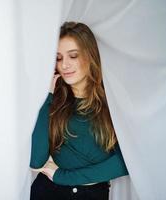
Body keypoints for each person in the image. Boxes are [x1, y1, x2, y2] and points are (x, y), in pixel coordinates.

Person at [29, 21, 129, 200]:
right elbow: (36, 160)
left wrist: (64, 177)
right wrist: (48, 97)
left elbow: (125, 163)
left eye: (73, 55)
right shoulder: (52, 102)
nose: (64, 65)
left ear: (90, 56)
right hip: (48, 192)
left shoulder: (111, 103)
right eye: (59, 58)